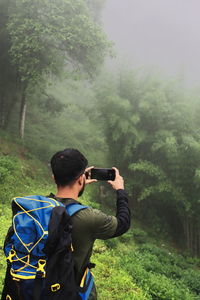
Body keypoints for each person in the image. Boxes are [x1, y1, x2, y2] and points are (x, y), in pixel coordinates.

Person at [48, 148, 131, 300]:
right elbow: (123, 223)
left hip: (36, 287)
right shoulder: (87, 218)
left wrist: (78, 181)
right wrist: (120, 190)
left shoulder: (39, 208)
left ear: (54, 177)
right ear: (81, 179)